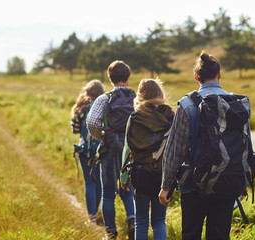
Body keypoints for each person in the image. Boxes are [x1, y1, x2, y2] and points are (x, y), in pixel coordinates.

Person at [158, 51, 237, 240]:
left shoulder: (187, 105)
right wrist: (243, 180)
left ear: (196, 77)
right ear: (219, 75)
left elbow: (175, 149)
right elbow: (243, 143)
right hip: (227, 181)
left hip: (194, 184)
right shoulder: (235, 102)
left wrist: (165, 185)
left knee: (191, 235)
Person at [87, 60, 135, 239]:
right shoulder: (136, 97)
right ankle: (132, 221)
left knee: (108, 193)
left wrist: (103, 137)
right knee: (128, 190)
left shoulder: (104, 98)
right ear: (128, 77)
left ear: (109, 77)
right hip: (130, 151)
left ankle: (111, 232)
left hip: (109, 150)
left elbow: (91, 122)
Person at [121, 79, 174, 240]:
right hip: (163, 176)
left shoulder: (135, 116)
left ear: (140, 95)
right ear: (161, 94)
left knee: (141, 221)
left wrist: (124, 176)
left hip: (140, 173)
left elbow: (127, 149)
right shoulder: (172, 115)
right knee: (159, 221)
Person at [70, 79, 105, 224]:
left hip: (84, 149)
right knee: (99, 183)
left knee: (89, 183)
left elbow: (75, 130)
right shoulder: (104, 106)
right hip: (101, 149)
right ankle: (97, 212)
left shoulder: (80, 107)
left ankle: (91, 216)